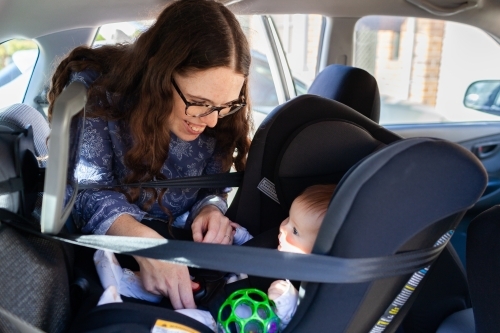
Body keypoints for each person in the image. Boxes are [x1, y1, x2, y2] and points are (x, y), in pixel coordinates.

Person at [47, 0, 252, 310]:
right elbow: (87, 190)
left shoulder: (221, 117)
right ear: (160, 73)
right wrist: (147, 247)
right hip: (100, 249)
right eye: (199, 102)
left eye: (225, 106)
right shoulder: (98, 90)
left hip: (182, 249)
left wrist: (210, 210)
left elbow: (213, 189)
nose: (211, 120)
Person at [95, 184, 336, 331]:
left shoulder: (302, 285)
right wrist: (238, 234)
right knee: (166, 283)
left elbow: (291, 319)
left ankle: (126, 317)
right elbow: (251, 248)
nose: (282, 228)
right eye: (287, 219)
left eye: (295, 231)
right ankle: (122, 282)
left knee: (188, 321)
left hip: (227, 319)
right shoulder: (277, 244)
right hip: (219, 283)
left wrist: (285, 300)